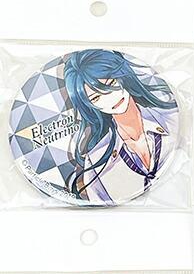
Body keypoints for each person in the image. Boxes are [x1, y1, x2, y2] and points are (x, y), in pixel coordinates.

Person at [64, 49, 178, 204]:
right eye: (96, 98)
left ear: (123, 77)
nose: (110, 98)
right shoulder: (96, 160)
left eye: (111, 84)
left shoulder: (173, 119)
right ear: (90, 106)